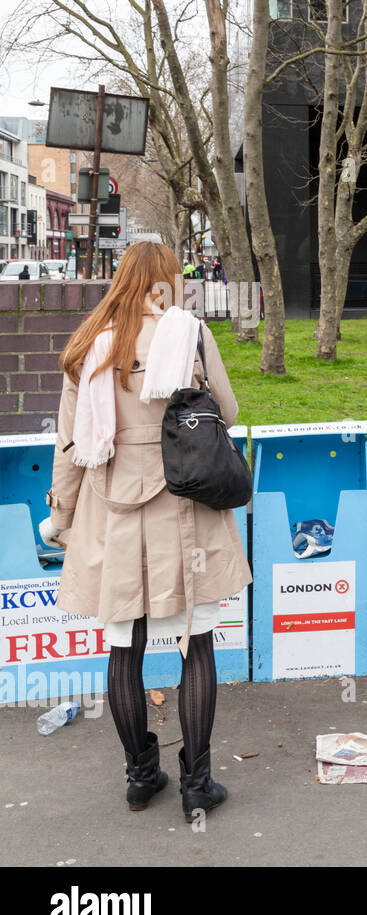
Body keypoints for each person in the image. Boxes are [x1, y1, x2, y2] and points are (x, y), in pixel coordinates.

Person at [41, 241, 251, 820]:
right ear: (166, 282)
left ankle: (140, 776)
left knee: (122, 650)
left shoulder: (89, 343)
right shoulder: (189, 334)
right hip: (185, 505)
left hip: (112, 511)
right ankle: (197, 786)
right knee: (198, 646)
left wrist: (60, 518)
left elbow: (70, 445)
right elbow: (227, 414)